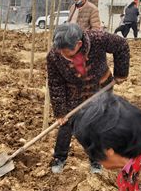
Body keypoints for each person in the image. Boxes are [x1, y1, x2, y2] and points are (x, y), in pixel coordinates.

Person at [47, 23, 129, 174]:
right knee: (66, 123)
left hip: (99, 86)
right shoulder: (54, 55)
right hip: (74, 90)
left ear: (78, 44)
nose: (63, 55)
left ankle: (96, 160)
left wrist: (121, 73)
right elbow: (55, 84)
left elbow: (121, 45)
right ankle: (59, 158)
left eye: (67, 52)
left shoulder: (98, 39)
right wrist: (60, 111)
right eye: (61, 51)